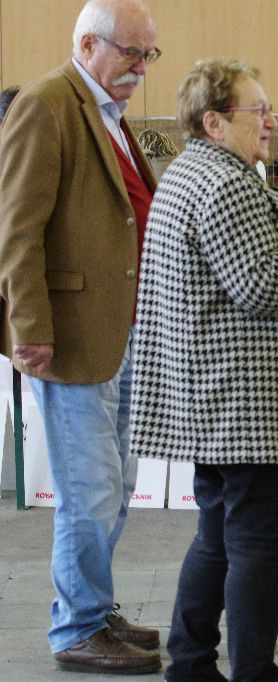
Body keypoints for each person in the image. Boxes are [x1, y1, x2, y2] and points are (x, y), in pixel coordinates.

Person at [128, 57, 278, 680]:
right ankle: (251, 673)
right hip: (249, 405)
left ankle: (191, 664)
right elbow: (263, 285)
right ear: (214, 121)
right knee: (258, 545)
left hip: (216, 400)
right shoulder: (227, 182)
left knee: (217, 537)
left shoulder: (187, 174)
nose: (272, 120)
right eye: (258, 110)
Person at [0, 0, 163, 674]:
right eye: (131, 53)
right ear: (89, 44)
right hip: (68, 336)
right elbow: (16, 226)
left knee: (114, 485)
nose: (141, 69)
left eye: (149, 55)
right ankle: (76, 629)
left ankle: (94, 609)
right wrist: (28, 326)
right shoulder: (46, 104)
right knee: (89, 493)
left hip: (119, 333)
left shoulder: (108, 114)